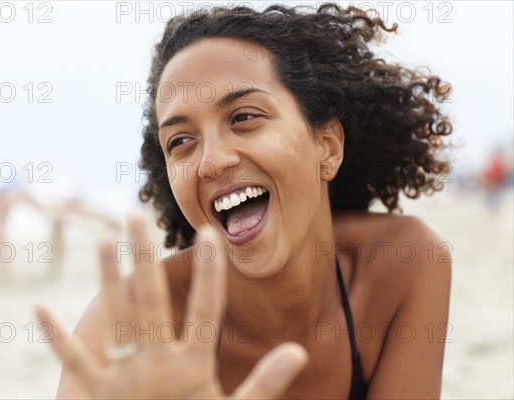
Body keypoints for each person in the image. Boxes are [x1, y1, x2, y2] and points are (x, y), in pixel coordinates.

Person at [37, 3, 453, 399]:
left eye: (244, 117)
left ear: (326, 146)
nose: (211, 162)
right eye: (181, 142)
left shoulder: (403, 265)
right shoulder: (128, 327)